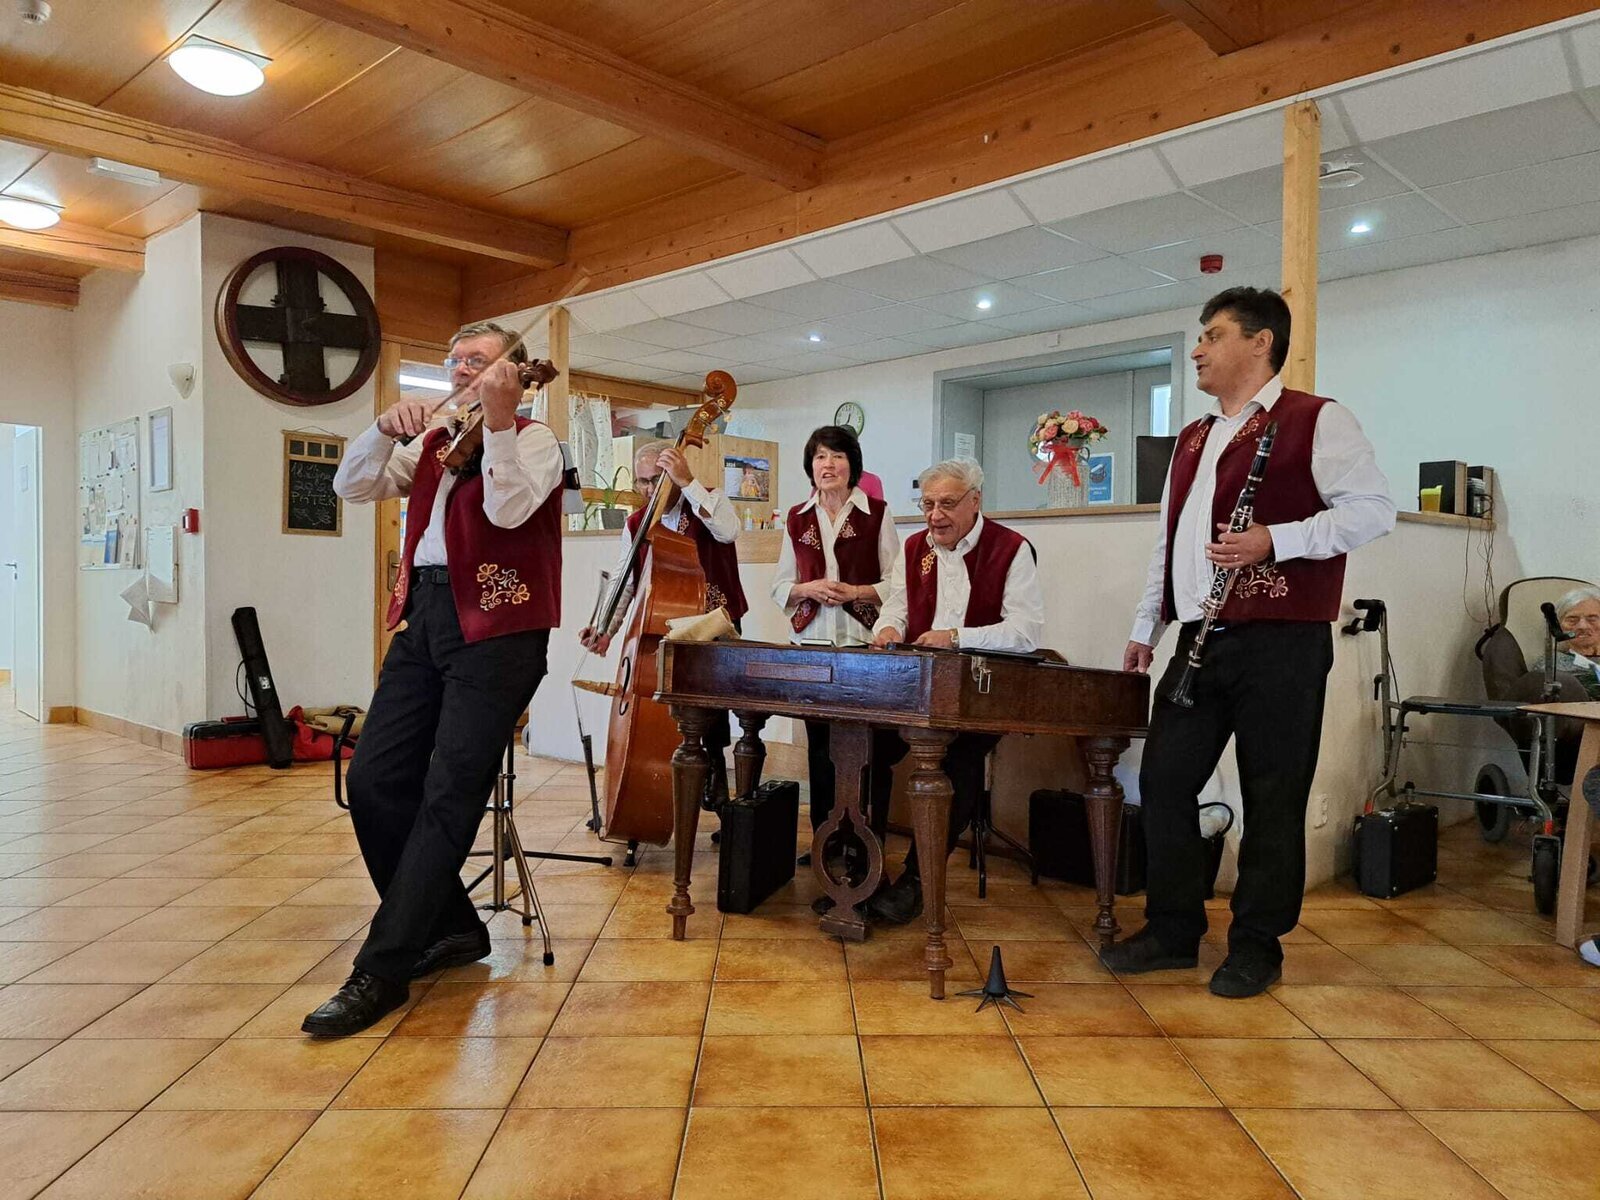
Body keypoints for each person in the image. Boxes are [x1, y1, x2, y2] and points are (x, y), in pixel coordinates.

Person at [1106, 286, 1396, 998]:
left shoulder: (1317, 418)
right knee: (1164, 781)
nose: (1197, 350)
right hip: (1200, 637)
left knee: (1273, 795)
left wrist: (1278, 540)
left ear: (1260, 342)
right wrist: (1148, 626)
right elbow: (1171, 543)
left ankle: (1257, 944)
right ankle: (1174, 930)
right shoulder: (1192, 438)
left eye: (1213, 335)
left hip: (1284, 642)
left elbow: (1374, 510)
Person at [304, 321, 565, 1036]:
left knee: (448, 795)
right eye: (453, 361)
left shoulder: (536, 440)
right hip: (424, 616)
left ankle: (382, 969)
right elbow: (352, 484)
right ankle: (450, 925)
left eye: (477, 361)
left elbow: (508, 510)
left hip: (501, 632)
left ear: (512, 372)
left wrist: (502, 423)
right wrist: (381, 430)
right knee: (374, 780)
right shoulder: (434, 442)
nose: (460, 370)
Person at [865, 456, 1045, 923]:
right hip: (914, 687)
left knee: (956, 760)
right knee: (861, 745)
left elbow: (1026, 632)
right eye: (927, 504)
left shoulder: (1011, 548)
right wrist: (887, 628)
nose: (934, 515)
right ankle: (863, 867)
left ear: (975, 501)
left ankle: (917, 880)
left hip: (979, 693)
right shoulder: (913, 548)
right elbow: (897, 608)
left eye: (946, 503)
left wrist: (957, 637)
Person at [771, 425, 898, 900]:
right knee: (820, 751)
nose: (829, 464)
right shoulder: (797, 517)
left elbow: (898, 582)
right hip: (811, 647)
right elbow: (780, 584)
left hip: (864, 646)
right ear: (811, 467)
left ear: (852, 465)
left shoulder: (877, 514)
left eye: (838, 456)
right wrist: (807, 588)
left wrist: (856, 592)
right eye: (821, 456)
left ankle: (866, 846)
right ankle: (827, 841)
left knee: (867, 752)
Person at [580, 441, 745, 806]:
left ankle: (717, 784)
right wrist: (605, 629)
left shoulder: (709, 500)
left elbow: (728, 531)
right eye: (642, 481)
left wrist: (687, 482)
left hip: (714, 623)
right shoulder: (636, 523)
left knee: (711, 712)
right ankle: (662, 785)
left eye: (657, 479)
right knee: (665, 711)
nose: (648, 489)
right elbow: (626, 580)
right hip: (664, 625)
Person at [1533, 585, 1600, 700]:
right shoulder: (1552, 665)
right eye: (1572, 620)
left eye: (1592, 619)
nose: (1583, 626)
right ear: (1558, 626)